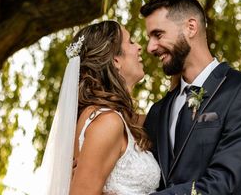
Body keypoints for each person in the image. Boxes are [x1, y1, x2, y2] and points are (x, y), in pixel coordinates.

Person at [141, 0, 241, 195]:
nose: (150, 47)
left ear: (191, 27)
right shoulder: (158, 111)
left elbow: (225, 182)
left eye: (158, 35)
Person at [38, 20, 160, 195]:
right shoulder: (108, 122)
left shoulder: (114, 118)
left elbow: (163, 116)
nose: (140, 47)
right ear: (116, 60)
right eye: (131, 41)